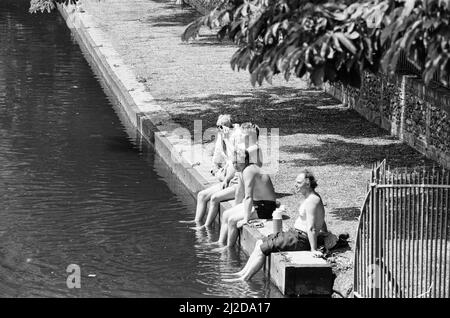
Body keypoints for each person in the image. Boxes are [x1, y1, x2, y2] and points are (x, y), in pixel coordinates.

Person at [224, 169, 328, 282]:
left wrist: (313, 249)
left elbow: (311, 227)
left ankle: (245, 279)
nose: (295, 184)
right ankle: (242, 273)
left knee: (261, 249)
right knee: (259, 242)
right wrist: (325, 232)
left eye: (298, 182)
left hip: (301, 239)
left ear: (307, 184)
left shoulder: (312, 200)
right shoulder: (311, 198)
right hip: (295, 235)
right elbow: (321, 218)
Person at [212, 134, 277, 252]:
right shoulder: (242, 171)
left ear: (246, 161)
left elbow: (248, 197)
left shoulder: (249, 170)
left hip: (266, 207)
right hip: (257, 204)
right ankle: (220, 243)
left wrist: (246, 219)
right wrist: (236, 207)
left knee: (232, 220)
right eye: (234, 162)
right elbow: (240, 193)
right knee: (227, 214)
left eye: (237, 162)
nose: (234, 165)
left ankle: (228, 248)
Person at [181, 114, 237, 227]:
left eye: (221, 127)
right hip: (228, 176)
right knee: (201, 195)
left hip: (235, 180)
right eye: (218, 127)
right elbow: (217, 155)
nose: (219, 129)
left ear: (229, 126)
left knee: (214, 198)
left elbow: (235, 162)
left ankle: (206, 227)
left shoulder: (237, 138)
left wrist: (225, 177)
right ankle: (197, 223)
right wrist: (215, 168)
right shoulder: (222, 137)